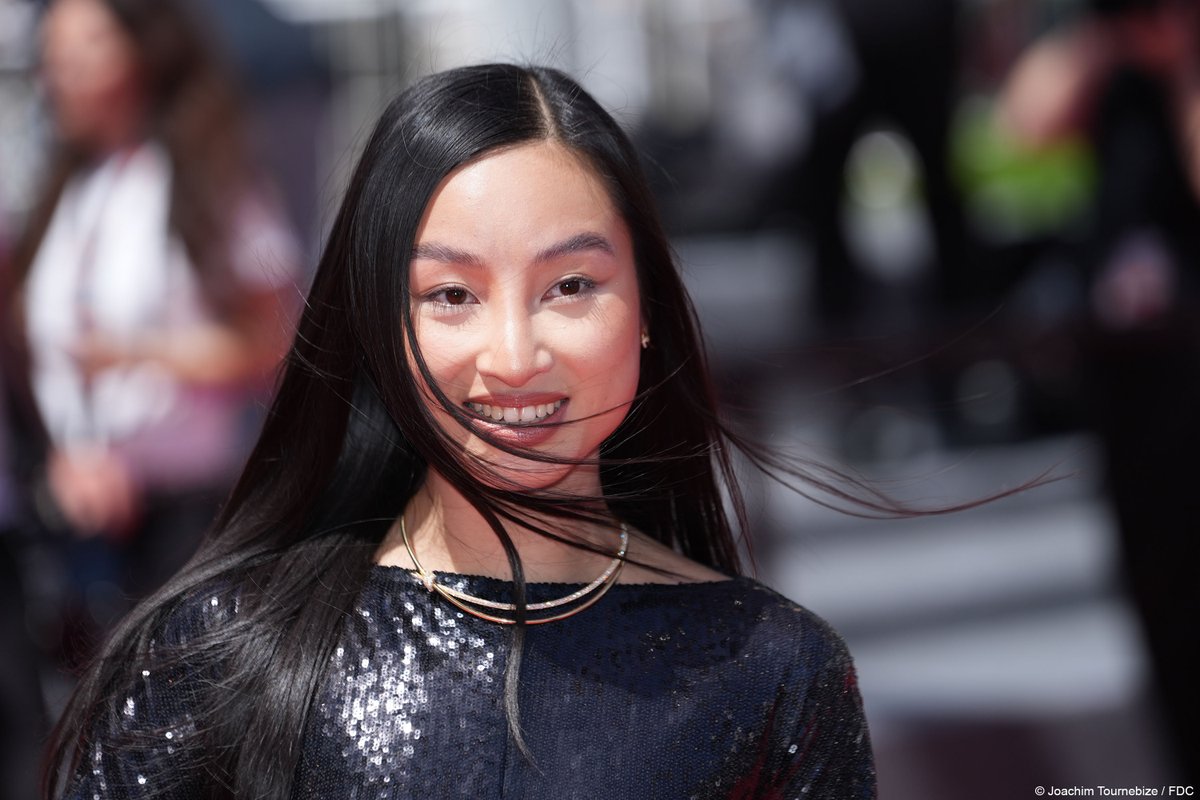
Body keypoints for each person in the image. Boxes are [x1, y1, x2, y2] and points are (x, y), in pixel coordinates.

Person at [42, 63, 876, 799]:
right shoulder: (217, 658)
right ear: (375, 323)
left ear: (650, 306)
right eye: (451, 295)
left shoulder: (772, 672)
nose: (513, 356)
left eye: (572, 284)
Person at [3, 0, 299, 658]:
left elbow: (274, 339)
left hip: (185, 517)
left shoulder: (206, 179)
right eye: (51, 56)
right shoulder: (69, 188)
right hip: (76, 520)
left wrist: (139, 354)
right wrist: (64, 459)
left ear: (144, 51)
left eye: (81, 50)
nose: (58, 73)